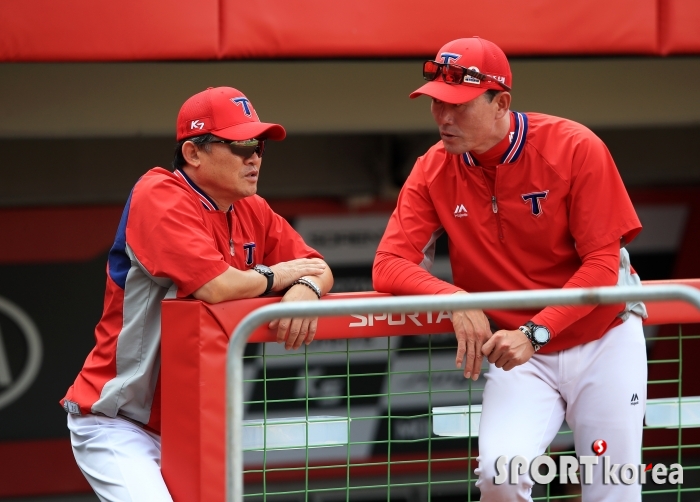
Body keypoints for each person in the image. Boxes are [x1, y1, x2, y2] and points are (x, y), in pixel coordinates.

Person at [372, 37, 647, 501]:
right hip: (517, 354)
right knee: (499, 477)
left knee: (611, 490)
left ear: (501, 103)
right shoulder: (432, 168)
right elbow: (388, 265)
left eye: (458, 106)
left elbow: (602, 264)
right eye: (437, 103)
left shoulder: (575, 147)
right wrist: (455, 299)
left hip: (603, 339)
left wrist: (536, 332)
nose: (443, 118)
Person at [61, 86, 334, 502]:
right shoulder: (159, 194)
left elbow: (317, 266)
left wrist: (307, 290)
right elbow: (216, 285)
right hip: (120, 421)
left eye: (258, 145)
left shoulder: (252, 208)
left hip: (191, 426)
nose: (255, 157)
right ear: (193, 153)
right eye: (240, 145)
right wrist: (278, 276)